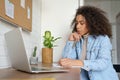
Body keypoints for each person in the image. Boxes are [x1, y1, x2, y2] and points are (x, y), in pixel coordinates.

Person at [59, 6, 119, 80]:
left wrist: (80, 62)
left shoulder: (103, 39)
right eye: (77, 23)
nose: (77, 26)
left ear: (91, 23)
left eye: (81, 23)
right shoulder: (79, 39)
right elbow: (67, 60)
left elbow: (103, 63)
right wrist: (70, 41)